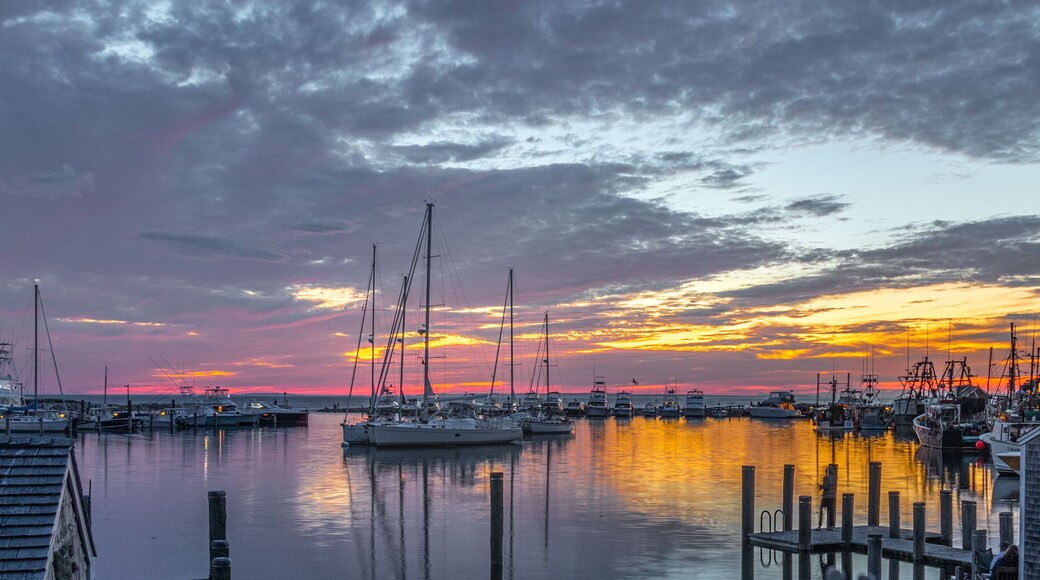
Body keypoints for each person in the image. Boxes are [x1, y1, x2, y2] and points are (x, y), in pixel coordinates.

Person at [817, 464, 837, 529]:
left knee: (822, 510)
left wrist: (820, 486)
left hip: (826, 497)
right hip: (832, 497)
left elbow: (825, 487)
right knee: (831, 511)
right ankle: (831, 526)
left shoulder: (826, 478)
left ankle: (819, 525)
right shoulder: (835, 478)